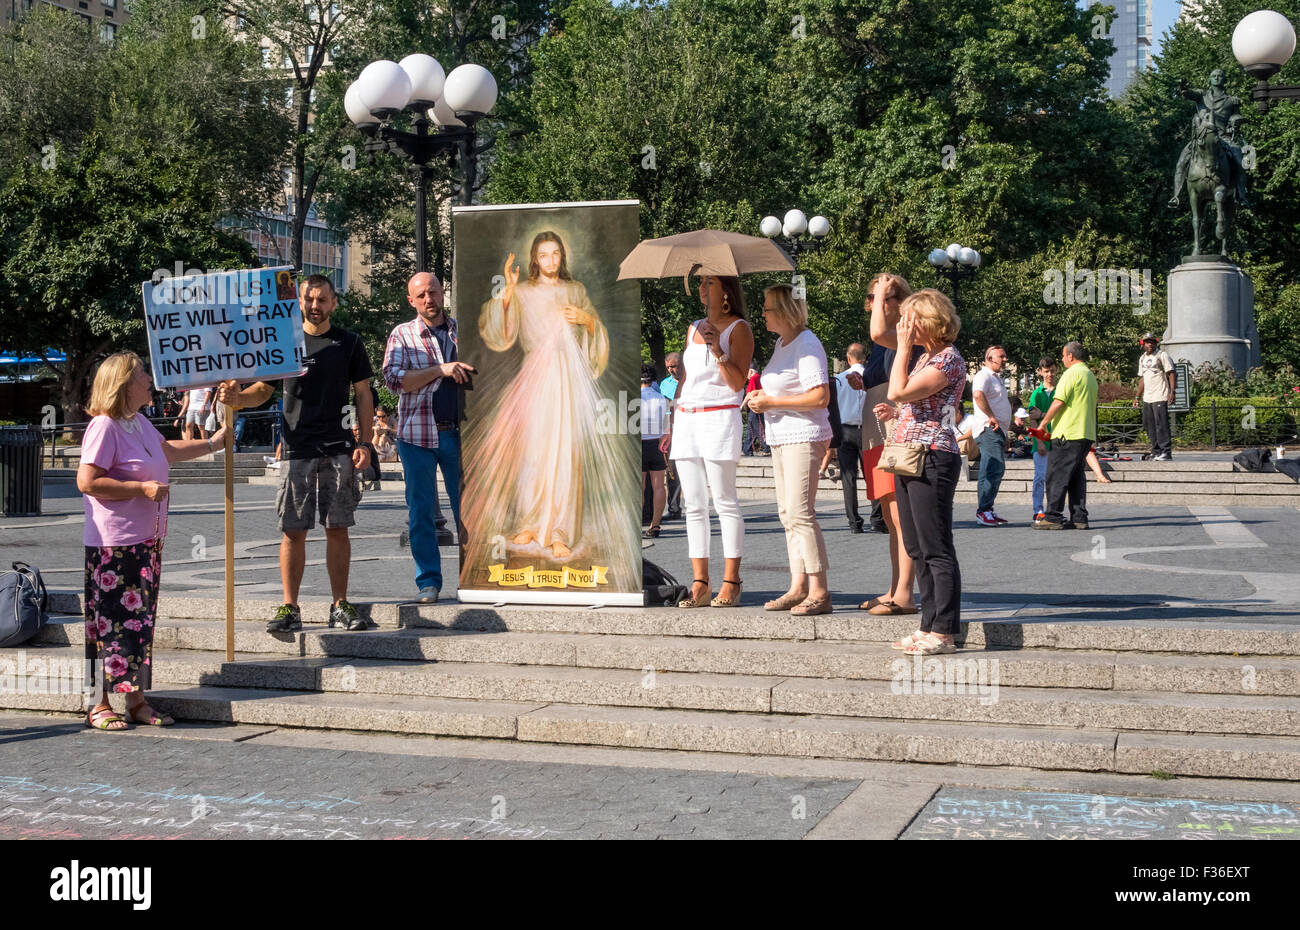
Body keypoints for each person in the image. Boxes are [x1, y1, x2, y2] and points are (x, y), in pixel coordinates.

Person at [460, 231, 640, 589]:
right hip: (534, 378)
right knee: (534, 452)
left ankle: (559, 529)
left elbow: (596, 333)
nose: (551, 260)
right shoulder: (523, 292)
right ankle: (529, 522)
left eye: (556, 253)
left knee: (566, 454)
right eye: (544, 255)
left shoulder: (576, 292)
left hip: (567, 378)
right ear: (534, 259)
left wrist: (588, 322)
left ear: (562, 256)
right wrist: (509, 289)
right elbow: (498, 331)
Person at [76, 352, 227, 730]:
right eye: (143, 372)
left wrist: (215, 444)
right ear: (125, 383)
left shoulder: (138, 422)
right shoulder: (104, 426)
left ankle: (136, 700)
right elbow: (87, 481)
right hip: (114, 545)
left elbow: (168, 451)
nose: (149, 378)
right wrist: (139, 489)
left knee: (138, 624)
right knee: (107, 625)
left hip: (146, 543)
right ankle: (98, 702)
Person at [217, 274, 375, 631]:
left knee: (338, 528)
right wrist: (237, 399)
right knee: (292, 531)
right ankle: (290, 607)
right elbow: (262, 390)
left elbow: (364, 394)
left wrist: (365, 442)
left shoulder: (348, 343)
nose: (315, 306)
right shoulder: (284, 341)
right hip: (296, 448)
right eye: (309, 299)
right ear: (299, 302)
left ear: (334, 303)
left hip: (338, 449)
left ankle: (340, 605)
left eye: (322, 300)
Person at [873, 289, 966, 655]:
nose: (903, 324)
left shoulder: (946, 360)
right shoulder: (927, 357)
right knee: (914, 545)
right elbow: (921, 405)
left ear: (928, 320)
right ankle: (928, 623)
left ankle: (944, 630)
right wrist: (898, 416)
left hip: (933, 457)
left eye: (909, 319)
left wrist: (901, 348)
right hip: (910, 452)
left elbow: (899, 390)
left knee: (935, 545)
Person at [660, 274, 754, 608]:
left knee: (724, 501)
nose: (701, 288)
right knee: (694, 505)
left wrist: (717, 347)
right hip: (686, 417)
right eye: (700, 283)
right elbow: (684, 379)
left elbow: (737, 382)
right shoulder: (693, 327)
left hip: (719, 416)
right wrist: (672, 424)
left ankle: (732, 581)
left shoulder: (738, 328)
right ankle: (700, 582)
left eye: (709, 283)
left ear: (726, 291)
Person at [383, 272, 475, 604]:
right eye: (420, 295)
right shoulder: (402, 335)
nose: (428, 299)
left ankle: (475, 578)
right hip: (416, 436)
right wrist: (441, 369)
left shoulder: (463, 330)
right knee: (420, 511)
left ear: (442, 293)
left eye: (433, 292)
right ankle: (429, 582)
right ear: (411, 301)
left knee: (470, 510)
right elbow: (394, 381)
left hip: (458, 433)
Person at [746, 284, 833, 615]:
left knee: (800, 512)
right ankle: (799, 586)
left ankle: (820, 589)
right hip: (782, 435)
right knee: (787, 514)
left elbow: (820, 396)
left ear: (783, 311)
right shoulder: (783, 344)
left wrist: (772, 401)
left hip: (803, 435)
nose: (763, 313)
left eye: (767, 308)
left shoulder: (807, 344)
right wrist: (760, 399)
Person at [853, 272, 918, 616]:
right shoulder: (884, 343)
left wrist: (881, 291)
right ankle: (895, 588)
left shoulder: (907, 334)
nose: (876, 300)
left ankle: (905, 592)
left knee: (900, 514)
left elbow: (879, 331)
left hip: (896, 430)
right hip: (877, 430)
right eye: (873, 295)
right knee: (890, 517)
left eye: (884, 296)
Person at [1034, 341, 1099, 530]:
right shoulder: (1089, 375)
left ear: (1070, 356)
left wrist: (1044, 423)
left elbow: (1058, 402)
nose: (1062, 359)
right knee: (1076, 476)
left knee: (1056, 475)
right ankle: (1079, 517)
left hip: (1067, 433)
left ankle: (1053, 516)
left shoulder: (1071, 374)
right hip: (1085, 433)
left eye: (1063, 355)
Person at [971, 345, 1012, 526]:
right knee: (993, 468)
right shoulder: (983, 375)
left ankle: (987, 509)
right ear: (989, 358)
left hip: (996, 430)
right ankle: (984, 510)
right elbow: (978, 394)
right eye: (1001, 356)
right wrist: (991, 417)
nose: (1005, 359)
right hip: (988, 429)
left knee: (993, 468)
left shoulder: (996, 378)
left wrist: (1004, 430)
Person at [833, 344, 867, 532]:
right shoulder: (871, 377)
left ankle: (854, 522)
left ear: (848, 358)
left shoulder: (839, 379)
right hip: (867, 429)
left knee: (848, 477)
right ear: (865, 358)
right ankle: (878, 518)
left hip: (845, 430)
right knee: (871, 475)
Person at [1134, 332, 1176, 461]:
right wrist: (1137, 397)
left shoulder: (1162, 355)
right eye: (1147, 342)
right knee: (1149, 424)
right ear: (1143, 344)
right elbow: (1142, 379)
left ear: (1155, 343)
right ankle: (1156, 450)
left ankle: (1166, 451)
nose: (1149, 344)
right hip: (1148, 397)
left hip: (1160, 394)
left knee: (1161, 424)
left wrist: (1172, 391)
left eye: (1152, 342)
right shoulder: (1142, 358)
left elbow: (1171, 373)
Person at [1025, 357, 1057, 520]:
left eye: (1052, 371)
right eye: (1046, 371)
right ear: (1040, 372)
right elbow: (1032, 419)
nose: (1049, 374)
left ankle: (1053, 510)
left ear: (1056, 370)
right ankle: (1038, 509)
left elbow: (1061, 413)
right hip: (1042, 441)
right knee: (1040, 477)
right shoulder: (1036, 394)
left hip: (1059, 439)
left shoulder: (1061, 390)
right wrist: (1038, 442)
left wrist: (1043, 414)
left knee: (1055, 478)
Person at [640, 364, 669, 537]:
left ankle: (636, 524)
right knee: (659, 485)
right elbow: (667, 425)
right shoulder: (662, 399)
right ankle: (655, 525)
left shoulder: (632, 398)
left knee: (639, 487)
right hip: (658, 443)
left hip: (640, 443)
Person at [661, 352, 685, 517]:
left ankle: (696, 506)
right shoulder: (664, 384)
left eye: (674, 366)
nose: (671, 370)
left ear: (682, 365)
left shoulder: (691, 381)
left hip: (691, 430)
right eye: (668, 367)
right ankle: (674, 508)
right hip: (672, 432)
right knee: (672, 471)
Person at [741, 363, 766, 456]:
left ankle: (766, 448)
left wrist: (741, 406)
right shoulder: (759, 377)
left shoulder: (753, 378)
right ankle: (747, 449)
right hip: (760, 405)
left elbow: (750, 394)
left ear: (750, 370)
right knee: (755, 427)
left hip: (754, 407)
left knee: (755, 428)